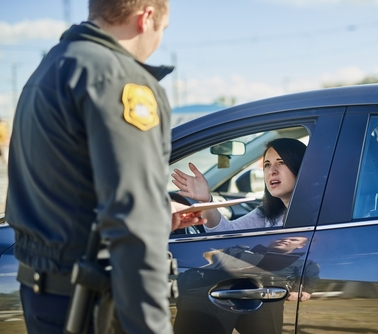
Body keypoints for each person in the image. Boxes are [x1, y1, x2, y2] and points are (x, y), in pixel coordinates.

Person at [5, 1, 205, 333]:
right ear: (147, 17)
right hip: (89, 307)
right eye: (163, 29)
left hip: (43, 297)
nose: (159, 40)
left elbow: (68, 191)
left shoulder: (52, 67)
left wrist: (157, 212)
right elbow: (132, 224)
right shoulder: (120, 80)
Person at [173, 236, 320, 334]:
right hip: (216, 287)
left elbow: (306, 282)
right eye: (283, 237)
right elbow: (211, 261)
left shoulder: (304, 263)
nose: (286, 240)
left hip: (265, 294)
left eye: (293, 239)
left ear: (301, 245)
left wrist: (302, 290)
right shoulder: (240, 249)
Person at [172, 138, 307, 232]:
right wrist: (206, 200)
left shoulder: (319, 216)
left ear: (299, 166)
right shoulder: (268, 213)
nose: (272, 171)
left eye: (281, 162)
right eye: (267, 165)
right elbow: (225, 234)